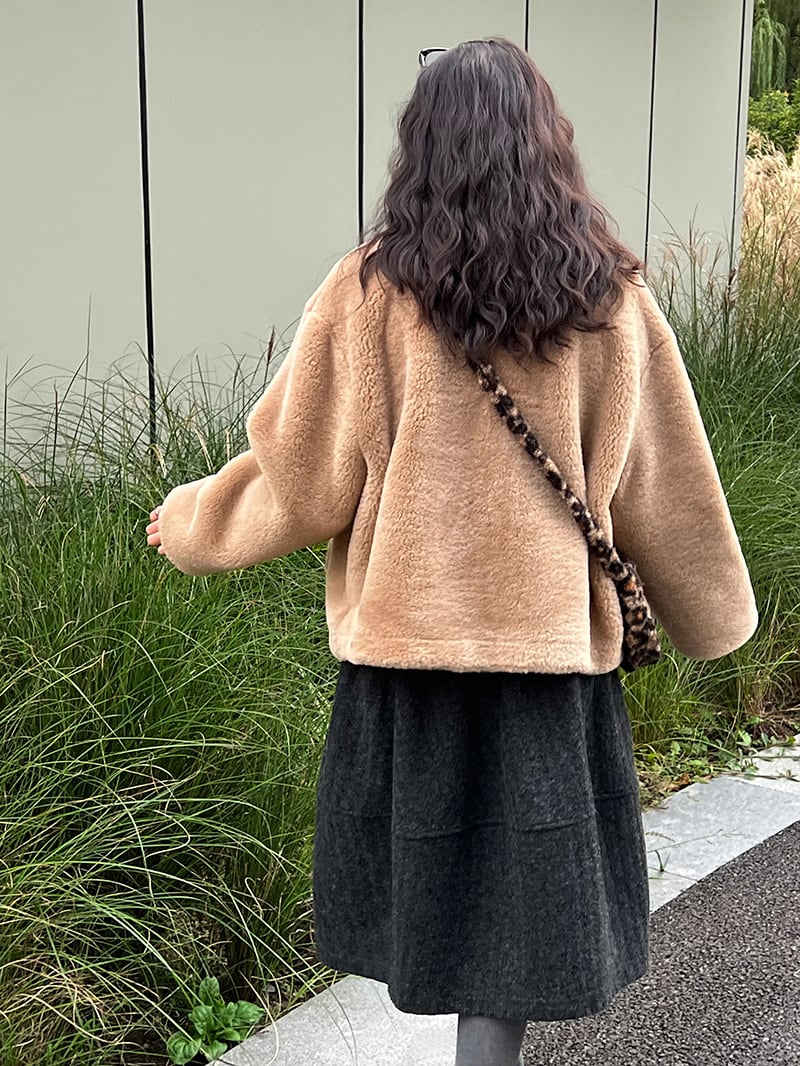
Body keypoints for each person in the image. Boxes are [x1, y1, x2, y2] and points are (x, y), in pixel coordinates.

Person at [145, 36, 758, 1066]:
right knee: (516, 920)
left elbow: (300, 471)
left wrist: (194, 521)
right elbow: (664, 479)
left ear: (419, 147)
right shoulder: (610, 300)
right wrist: (715, 620)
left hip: (409, 668)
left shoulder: (367, 294)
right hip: (547, 673)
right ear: (548, 141)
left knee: (442, 907)